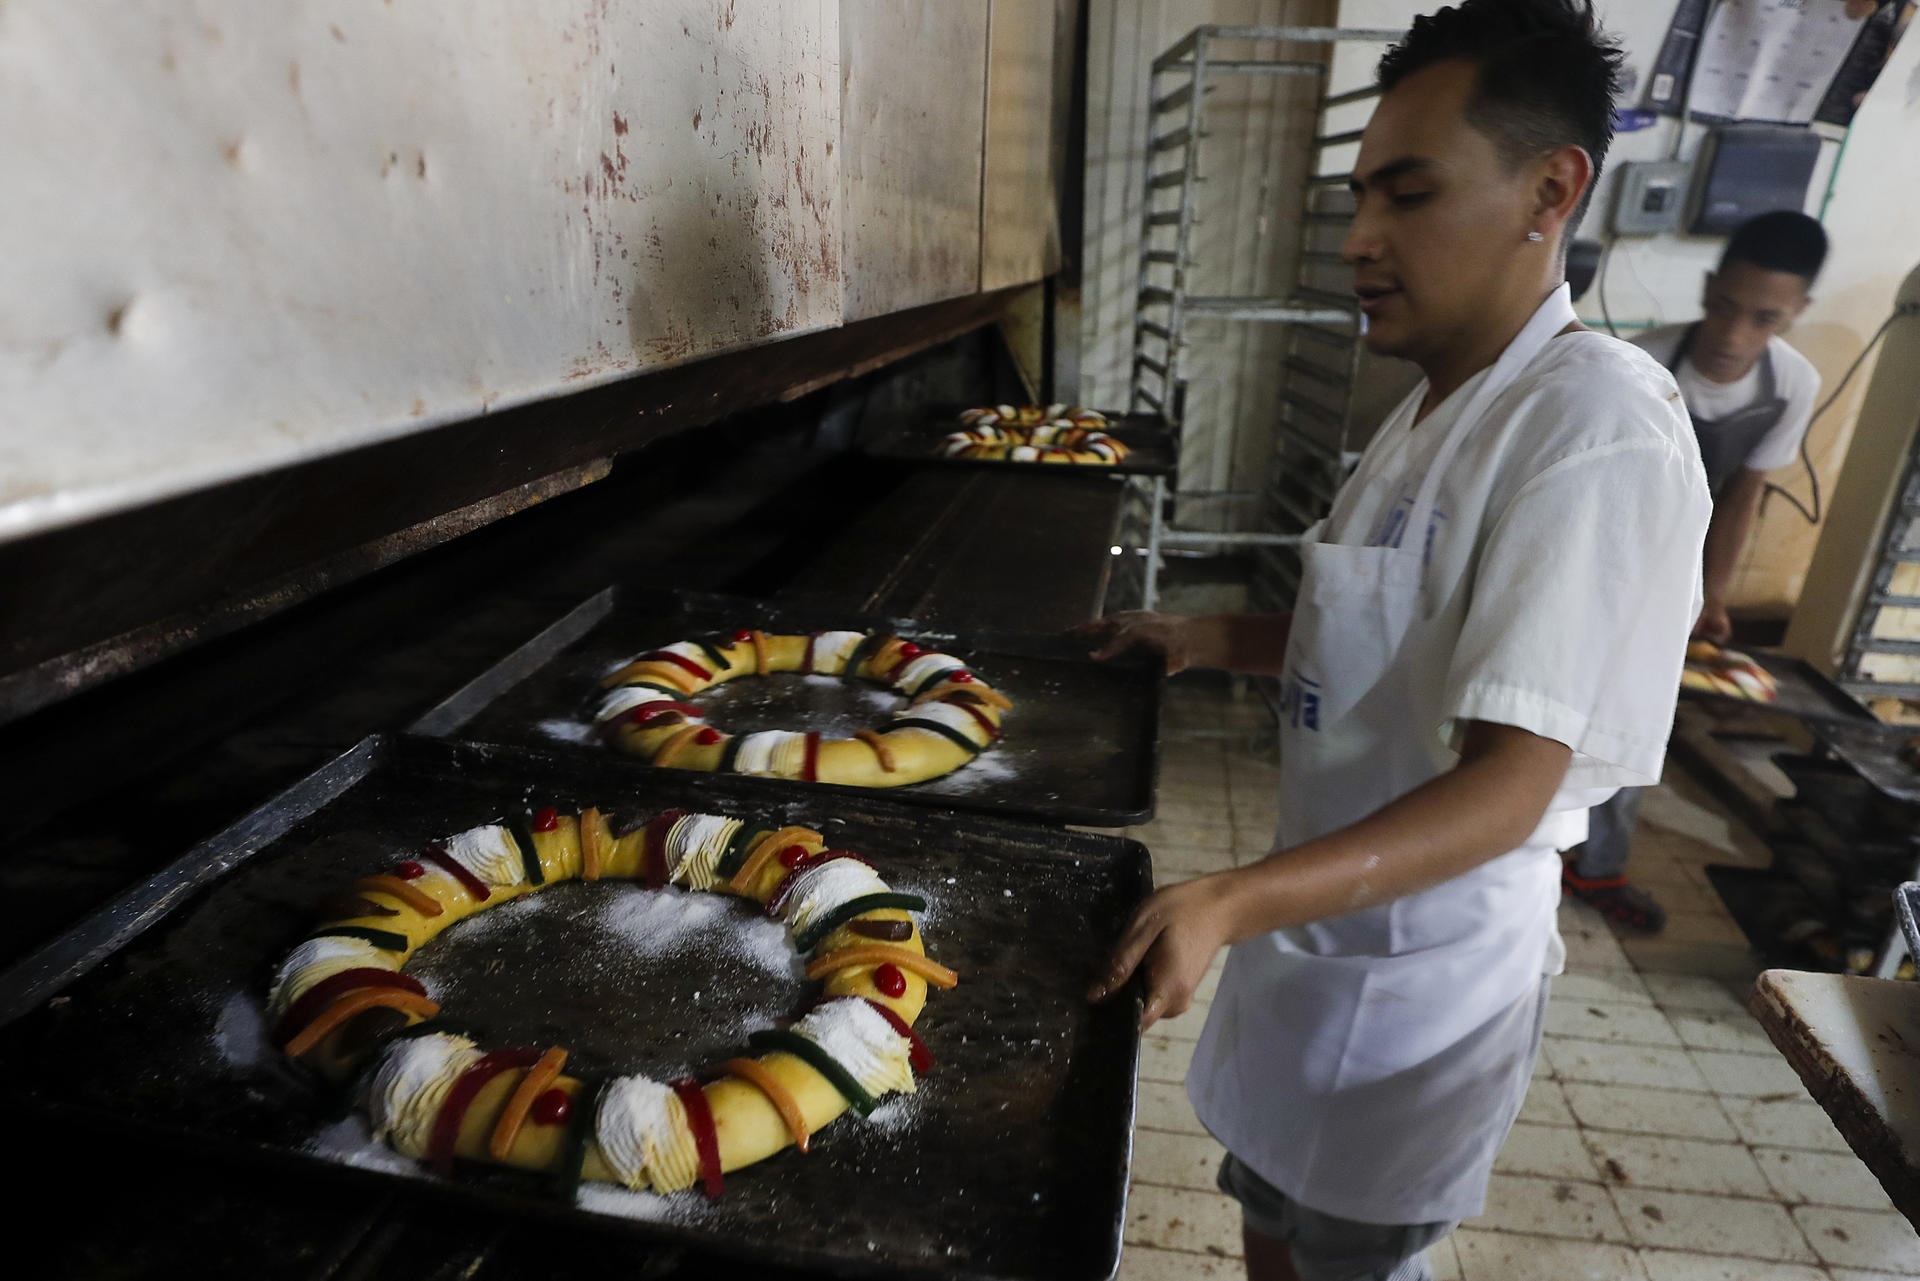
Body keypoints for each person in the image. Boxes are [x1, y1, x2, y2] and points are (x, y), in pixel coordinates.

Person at [1075, 3, 1711, 1278]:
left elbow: (1507, 785)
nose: (1359, 238)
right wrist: (1202, 636)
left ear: (1552, 189)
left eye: (1408, 195)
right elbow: (1381, 632)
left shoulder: (1591, 429)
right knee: (1271, 1224)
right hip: (1319, 938)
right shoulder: (1433, 411)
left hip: (1423, 979)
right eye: (1362, 194)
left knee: (1354, 1256)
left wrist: (1234, 900)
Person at [1563, 211, 1827, 933]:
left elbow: (1746, 493)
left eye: (1763, 318)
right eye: (1723, 307)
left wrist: (1710, 596)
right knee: (1564, 707)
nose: (1734, 335)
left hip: (1677, 577)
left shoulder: (1792, 385)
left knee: (1637, 722)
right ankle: (1530, 839)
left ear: (1797, 314)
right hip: (1610, 559)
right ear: (1707, 290)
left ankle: (1596, 869)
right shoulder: (1638, 362)